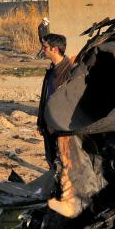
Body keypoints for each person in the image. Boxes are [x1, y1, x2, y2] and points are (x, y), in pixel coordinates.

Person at [37, 33, 75, 167]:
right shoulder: (51, 70)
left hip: (62, 131)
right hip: (49, 128)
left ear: (55, 49)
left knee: (63, 166)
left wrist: (55, 124)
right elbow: (45, 97)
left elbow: (70, 105)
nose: (43, 49)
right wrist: (41, 121)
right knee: (52, 163)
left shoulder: (70, 72)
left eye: (45, 47)